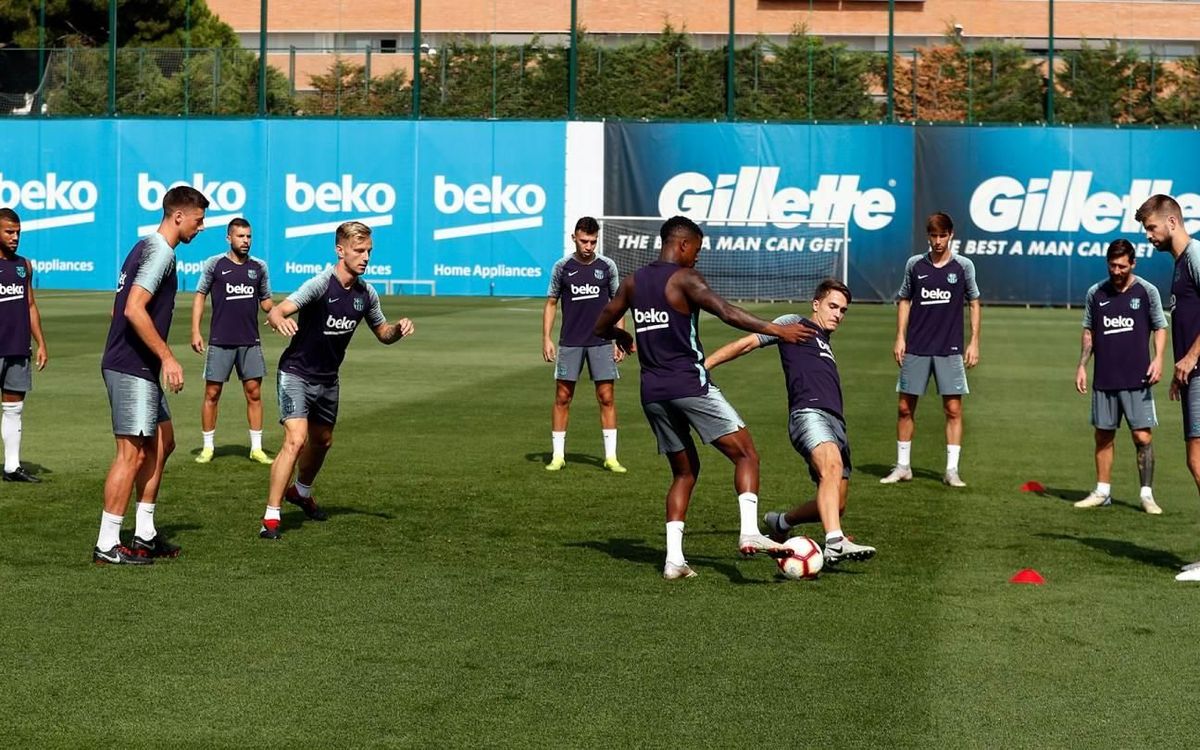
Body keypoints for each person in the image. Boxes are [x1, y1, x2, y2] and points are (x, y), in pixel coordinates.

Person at [592, 215, 810, 580]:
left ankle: (674, 561)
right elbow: (727, 311)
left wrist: (621, 335)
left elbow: (600, 325)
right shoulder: (685, 278)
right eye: (696, 248)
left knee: (684, 472)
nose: (697, 256)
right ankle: (749, 531)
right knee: (746, 454)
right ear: (682, 244)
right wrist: (776, 329)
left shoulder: (633, 282)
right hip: (689, 385)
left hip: (652, 393)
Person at [260, 221, 414, 540]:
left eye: (369, 251)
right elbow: (277, 310)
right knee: (296, 439)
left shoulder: (366, 294)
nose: (366, 257)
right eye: (359, 250)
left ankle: (301, 492)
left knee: (323, 441)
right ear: (340, 250)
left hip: (328, 379)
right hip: (296, 373)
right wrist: (279, 320)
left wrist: (398, 330)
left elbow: (383, 333)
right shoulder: (320, 285)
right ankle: (271, 517)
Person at [705, 279, 876, 567]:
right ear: (816, 304)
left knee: (837, 503)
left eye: (843, 310)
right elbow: (747, 344)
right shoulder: (793, 324)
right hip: (809, 414)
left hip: (837, 423)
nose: (838, 314)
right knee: (831, 467)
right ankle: (835, 542)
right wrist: (705, 366)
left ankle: (782, 522)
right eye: (833, 306)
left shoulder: (824, 340)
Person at [94, 186, 209, 565]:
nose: (201, 227)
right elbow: (133, 308)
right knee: (131, 453)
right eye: (198, 220)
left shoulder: (143, 246)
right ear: (178, 216)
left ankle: (144, 534)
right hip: (131, 366)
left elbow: (117, 310)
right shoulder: (160, 252)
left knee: (164, 442)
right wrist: (168, 357)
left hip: (137, 365)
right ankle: (107, 544)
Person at [881, 212, 981, 487]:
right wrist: (900, 337)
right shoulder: (915, 264)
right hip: (917, 346)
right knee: (904, 407)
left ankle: (951, 470)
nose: (938, 241)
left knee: (953, 409)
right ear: (928, 236)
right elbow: (904, 299)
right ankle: (903, 466)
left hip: (949, 348)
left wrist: (974, 341)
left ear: (951, 235)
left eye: (942, 235)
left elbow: (974, 302)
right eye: (933, 235)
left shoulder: (963, 266)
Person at [1073, 239, 1166, 514]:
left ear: (1133, 263)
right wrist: (1082, 365)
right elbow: (1089, 331)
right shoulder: (1096, 293)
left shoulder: (1147, 291)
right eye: (1112, 265)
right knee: (1103, 435)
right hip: (1105, 378)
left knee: (1142, 436)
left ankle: (1147, 495)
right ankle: (1102, 492)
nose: (1116, 271)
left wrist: (1159, 358)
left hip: (1138, 378)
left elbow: (1160, 327)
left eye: (1122, 266)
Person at [1137, 195, 1200, 581]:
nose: (1148, 235)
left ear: (1172, 222)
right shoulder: (1180, 264)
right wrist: (1181, 372)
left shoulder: (1194, 255)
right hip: (1193, 374)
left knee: (1197, 460)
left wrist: (1190, 358)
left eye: (1151, 227)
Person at [542, 217, 626, 472]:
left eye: (593, 241)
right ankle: (558, 456)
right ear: (574, 238)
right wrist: (546, 338)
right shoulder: (562, 267)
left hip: (601, 342)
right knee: (562, 397)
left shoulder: (607, 266)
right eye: (584, 241)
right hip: (570, 342)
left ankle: (611, 457)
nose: (588, 246)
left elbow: (618, 305)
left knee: (606, 397)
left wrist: (620, 339)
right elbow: (551, 303)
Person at [190, 217, 275, 465]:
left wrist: (280, 313)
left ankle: (256, 448)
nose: (246, 241)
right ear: (229, 238)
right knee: (212, 393)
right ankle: (208, 447)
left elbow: (266, 302)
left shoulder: (259, 267)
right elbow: (200, 296)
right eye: (240, 236)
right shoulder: (215, 264)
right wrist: (195, 331)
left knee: (254, 393)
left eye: (249, 236)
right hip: (220, 340)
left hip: (250, 341)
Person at [0, 208, 48, 483]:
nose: (15, 237)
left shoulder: (24, 266)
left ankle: (12, 467)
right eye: (9, 232)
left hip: (17, 347)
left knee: (14, 408)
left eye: (18, 232)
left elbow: (30, 305)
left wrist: (40, 342)